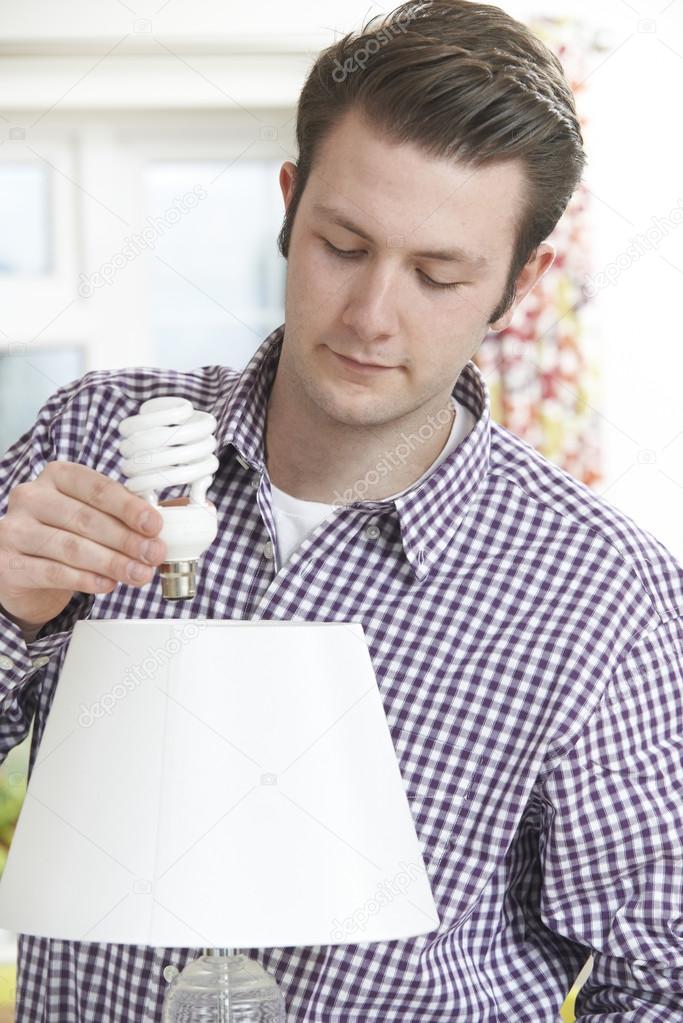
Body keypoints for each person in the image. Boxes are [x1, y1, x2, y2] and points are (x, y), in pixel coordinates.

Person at [0, 1, 681, 1020]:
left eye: (437, 274)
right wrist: (10, 610)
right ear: (287, 204)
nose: (370, 316)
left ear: (517, 285)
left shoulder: (598, 593)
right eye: (342, 246)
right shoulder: (96, 440)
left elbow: (656, 977)